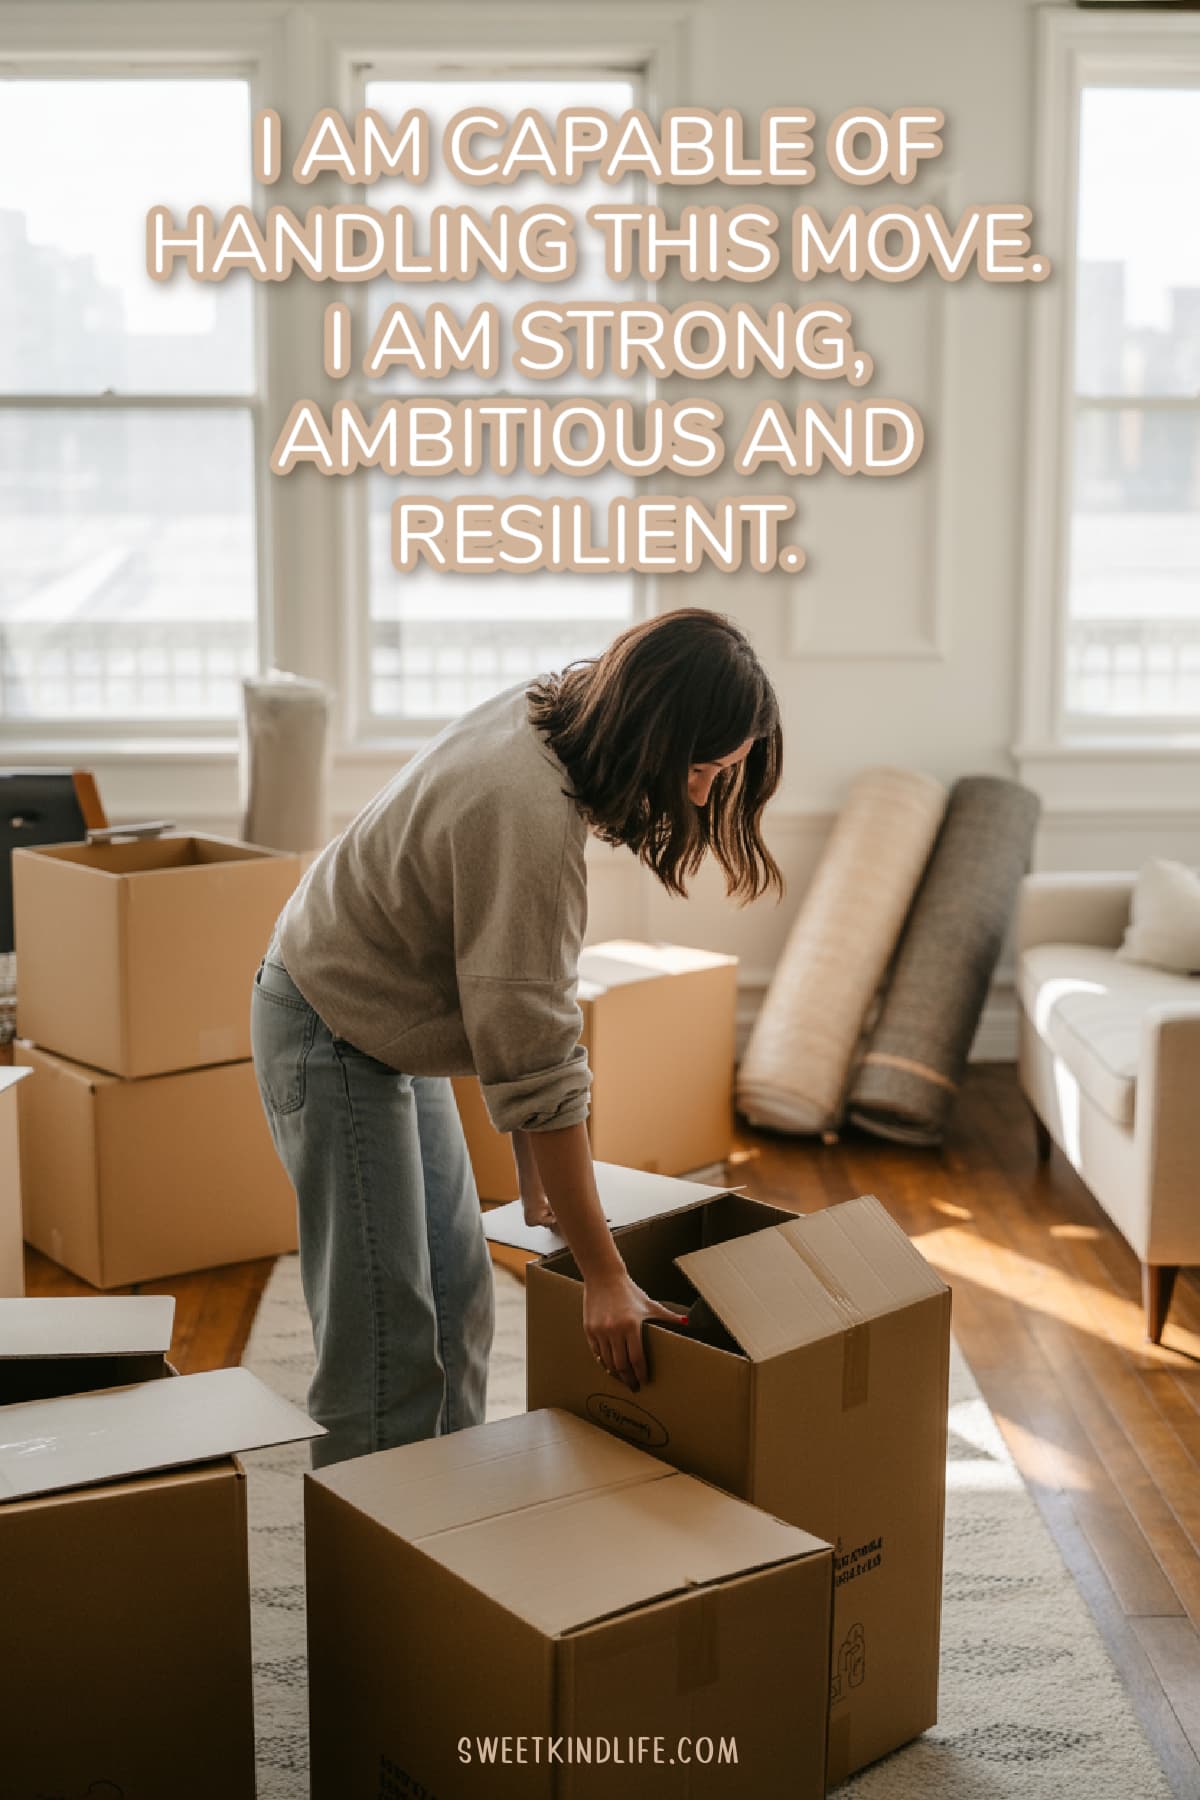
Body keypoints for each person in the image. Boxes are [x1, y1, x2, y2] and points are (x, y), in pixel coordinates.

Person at [250, 607, 783, 1468]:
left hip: (390, 1018)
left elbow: (513, 1017)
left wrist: (543, 1179)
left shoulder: (562, 704)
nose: (700, 794)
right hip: (333, 1027)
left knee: (458, 1298)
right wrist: (607, 1277)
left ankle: (444, 1520)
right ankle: (375, 1568)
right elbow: (537, 1053)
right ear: (655, 731)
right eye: (703, 768)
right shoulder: (527, 814)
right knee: (386, 1342)